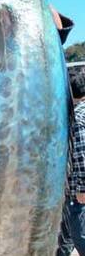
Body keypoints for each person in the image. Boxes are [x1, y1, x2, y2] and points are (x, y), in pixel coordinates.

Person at [57, 62, 85, 256]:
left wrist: (83, 188)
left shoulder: (77, 118)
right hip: (70, 195)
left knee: (79, 240)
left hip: (77, 195)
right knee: (65, 242)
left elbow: (81, 154)